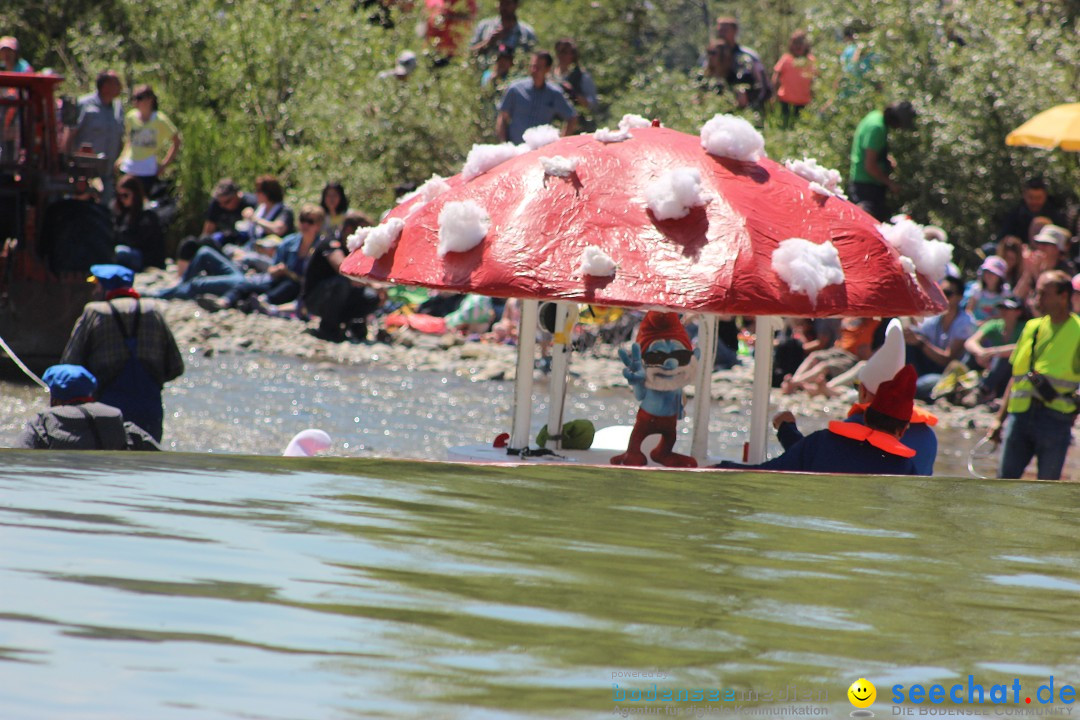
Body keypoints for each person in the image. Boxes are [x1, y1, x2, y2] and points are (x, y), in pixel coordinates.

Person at [775, 320, 938, 475]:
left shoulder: (846, 434)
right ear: (903, 429)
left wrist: (786, 430)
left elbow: (815, 459)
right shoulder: (928, 440)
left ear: (863, 392)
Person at [717, 365, 920, 476]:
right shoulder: (904, 469)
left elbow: (770, 472)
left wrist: (717, 467)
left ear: (865, 415)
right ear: (903, 431)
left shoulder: (822, 442)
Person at [61, 264, 184, 442]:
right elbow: (176, 367)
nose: (94, 291)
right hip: (149, 408)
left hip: (106, 410)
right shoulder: (153, 310)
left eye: (96, 286)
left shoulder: (94, 312)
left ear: (104, 288)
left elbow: (69, 366)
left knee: (110, 463)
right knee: (146, 461)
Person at [988, 270, 1080, 480]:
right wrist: (998, 421)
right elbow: (1016, 378)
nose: (1036, 300)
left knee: (1047, 493)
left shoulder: (1078, 331)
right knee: (1003, 486)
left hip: (1056, 421)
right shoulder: (1032, 327)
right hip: (1019, 418)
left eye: (1043, 294)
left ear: (1063, 296)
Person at [15, 365, 161, 451]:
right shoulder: (120, 424)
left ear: (55, 399)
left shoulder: (41, 425)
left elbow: (18, 459)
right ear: (90, 394)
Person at [302, 210, 381, 342]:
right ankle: (328, 327)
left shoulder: (356, 248)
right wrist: (372, 283)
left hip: (340, 297)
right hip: (315, 299)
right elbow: (342, 268)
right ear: (349, 229)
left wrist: (380, 287)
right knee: (341, 283)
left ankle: (350, 323)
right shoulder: (331, 241)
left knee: (372, 296)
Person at [904, 275, 976, 400]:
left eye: (947, 293)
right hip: (930, 365)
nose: (942, 297)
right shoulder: (936, 317)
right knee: (909, 340)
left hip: (948, 373)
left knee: (918, 387)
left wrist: (921, 343)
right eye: (940, 292)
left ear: (959, 298)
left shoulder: (965, 322)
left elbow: (948, 359)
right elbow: (919, 333)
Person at [848, 101, 916, 221]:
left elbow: (868, 151)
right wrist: (890, 183)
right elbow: (869, 165)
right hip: (866, 187)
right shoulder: (877, 128)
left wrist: (886, 159)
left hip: (865, 184)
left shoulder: (875, 116)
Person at [496, 51, 578, 144]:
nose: (534, 70)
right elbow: (502, 117)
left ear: (547, 69)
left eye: (538, 68)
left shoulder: (554, 93)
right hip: (516, 150)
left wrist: (561, 143)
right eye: (532, 66)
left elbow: (572, 117)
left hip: (540, 152)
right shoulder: (515, 89)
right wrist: (504, 143)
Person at [71, 70, 125, 206]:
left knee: (105, 209)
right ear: (105, 86)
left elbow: (121, 136)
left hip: (107, 171)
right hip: (83, 171)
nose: (121, 87)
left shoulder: (118, 107)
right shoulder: (84, 104)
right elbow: (70, 134)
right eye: (116, 83)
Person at [116, 84, 180, 198]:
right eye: (134, 98)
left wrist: (164, 165)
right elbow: (129, 142)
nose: (136, 101)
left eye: (139, 98)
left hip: (148, 170)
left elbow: (176, 141)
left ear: (150, 99)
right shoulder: (131, 117)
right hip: (129, 167)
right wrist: (121, 158)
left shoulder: (160, 120)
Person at [964, 296, 1026, 403]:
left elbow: (1022, 348)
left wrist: (993, 352)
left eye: (1008, 308)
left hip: (1013, 373)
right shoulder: (994, 325)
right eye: (1002, 308)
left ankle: (983, 390)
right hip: (991, 366)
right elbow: (970, 342)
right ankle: (961, 386)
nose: (1003, 311)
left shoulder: (1025, 327)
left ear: (1018, 312)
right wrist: (981, 353)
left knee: (1004, 359)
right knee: (970, 356)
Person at [713, 17, 770, 109]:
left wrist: (751, 100)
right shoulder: (710, 55)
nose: (721, 34)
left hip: (746, 110)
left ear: (735, 31)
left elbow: (764, 85)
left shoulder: (748, 56)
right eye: (720, 30)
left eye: (725, 30)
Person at [112, 174, 165, 270]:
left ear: (135, 194)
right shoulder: (123, 213)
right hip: (130, 252)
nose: (122, 199)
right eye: (119, 195)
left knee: (119, 252)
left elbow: (140, 242)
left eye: (125, 195)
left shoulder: (147, 214)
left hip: (143, 258)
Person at [997, 177, 1068, 242]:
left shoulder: (1055, 214)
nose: (1034, 202)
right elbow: (1004, 238)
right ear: (1024, 196)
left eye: (1038, 198)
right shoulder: (1015, 215)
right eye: (1031, 197)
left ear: (1045, 196)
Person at [470, 0, 537, 66]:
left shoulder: (526, 33)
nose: (504, 7)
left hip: (515, 75)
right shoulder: (485, 27)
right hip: (484, 73)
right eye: (502, 3)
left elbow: (532, 59)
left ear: (516, 5)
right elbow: (470, 53)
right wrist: (489, 42)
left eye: (507, 3)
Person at [771, 29, 816, 127]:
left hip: (804, 103)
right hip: (785, 102)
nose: (797, 46)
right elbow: (776, 77)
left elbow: (815, 81)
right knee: (785, 126)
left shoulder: (810, 61)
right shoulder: (786, 59)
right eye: (795, 43)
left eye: (800, 43)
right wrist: (774, 95)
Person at [698, 38, 757, 109]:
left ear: (724, 56)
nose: (710, 56)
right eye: (709, 52)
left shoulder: (735, 79)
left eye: (713, 53)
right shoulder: (704, 79)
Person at [552, 38, 598, 129]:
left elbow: (592, 105)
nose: (562, 55)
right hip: (553, 124)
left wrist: (573, 93)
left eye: (566, 52)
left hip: (577, 125)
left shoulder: (582, 76)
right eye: (560, 51)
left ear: (573, 55)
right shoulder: (550, 75)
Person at [201, 177, 257, 241]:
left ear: (236, 194)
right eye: (220, 203)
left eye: (226, 202)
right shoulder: (217, 204)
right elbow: (208, 231)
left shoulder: (251, 202)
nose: (222, 206)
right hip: (222, 239)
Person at [242, 174, 295, 242]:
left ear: (267, 193)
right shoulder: (260, 207)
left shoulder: (284, 210)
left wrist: (254, 219)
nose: (255, 194)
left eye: (258, 191)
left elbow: (278, 229)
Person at [963, 255, 1010, 322]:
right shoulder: (977, 289)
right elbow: (969, 310)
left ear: (1000, 277)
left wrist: (988, 322)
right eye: (986, 272)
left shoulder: (1005, 292)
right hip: (976, 325)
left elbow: (1004, 314)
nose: (989, 275)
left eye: (993, 273)